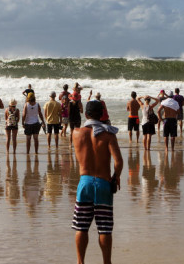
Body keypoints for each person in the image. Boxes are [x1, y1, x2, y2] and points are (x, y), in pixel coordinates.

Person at [71, 100, 123, 264]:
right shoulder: (109, 135)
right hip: (103, 183)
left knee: (81, 226)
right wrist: (116, 177)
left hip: (84, 182)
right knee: (105, 229)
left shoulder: (76, 133)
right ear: (102, 115)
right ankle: (106, 262)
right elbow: (119, 162)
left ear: (85, 114)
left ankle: (80, 262)